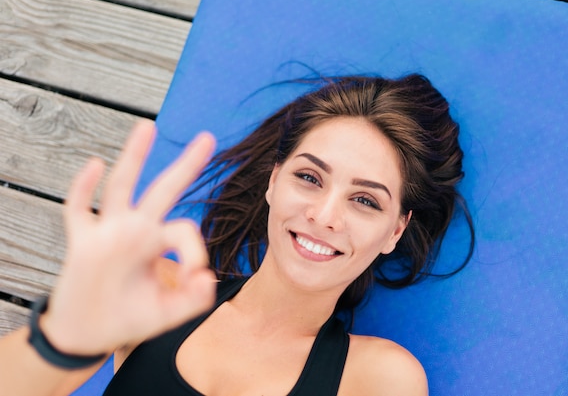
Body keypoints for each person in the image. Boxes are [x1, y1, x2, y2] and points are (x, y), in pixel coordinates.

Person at [0, 74, 473, 395]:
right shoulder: (159, 292)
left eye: (365, 201)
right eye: (309, 178)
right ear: (273, 181)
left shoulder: (378, 378)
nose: (325, 215)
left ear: (395, 231)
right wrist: (66, 332)